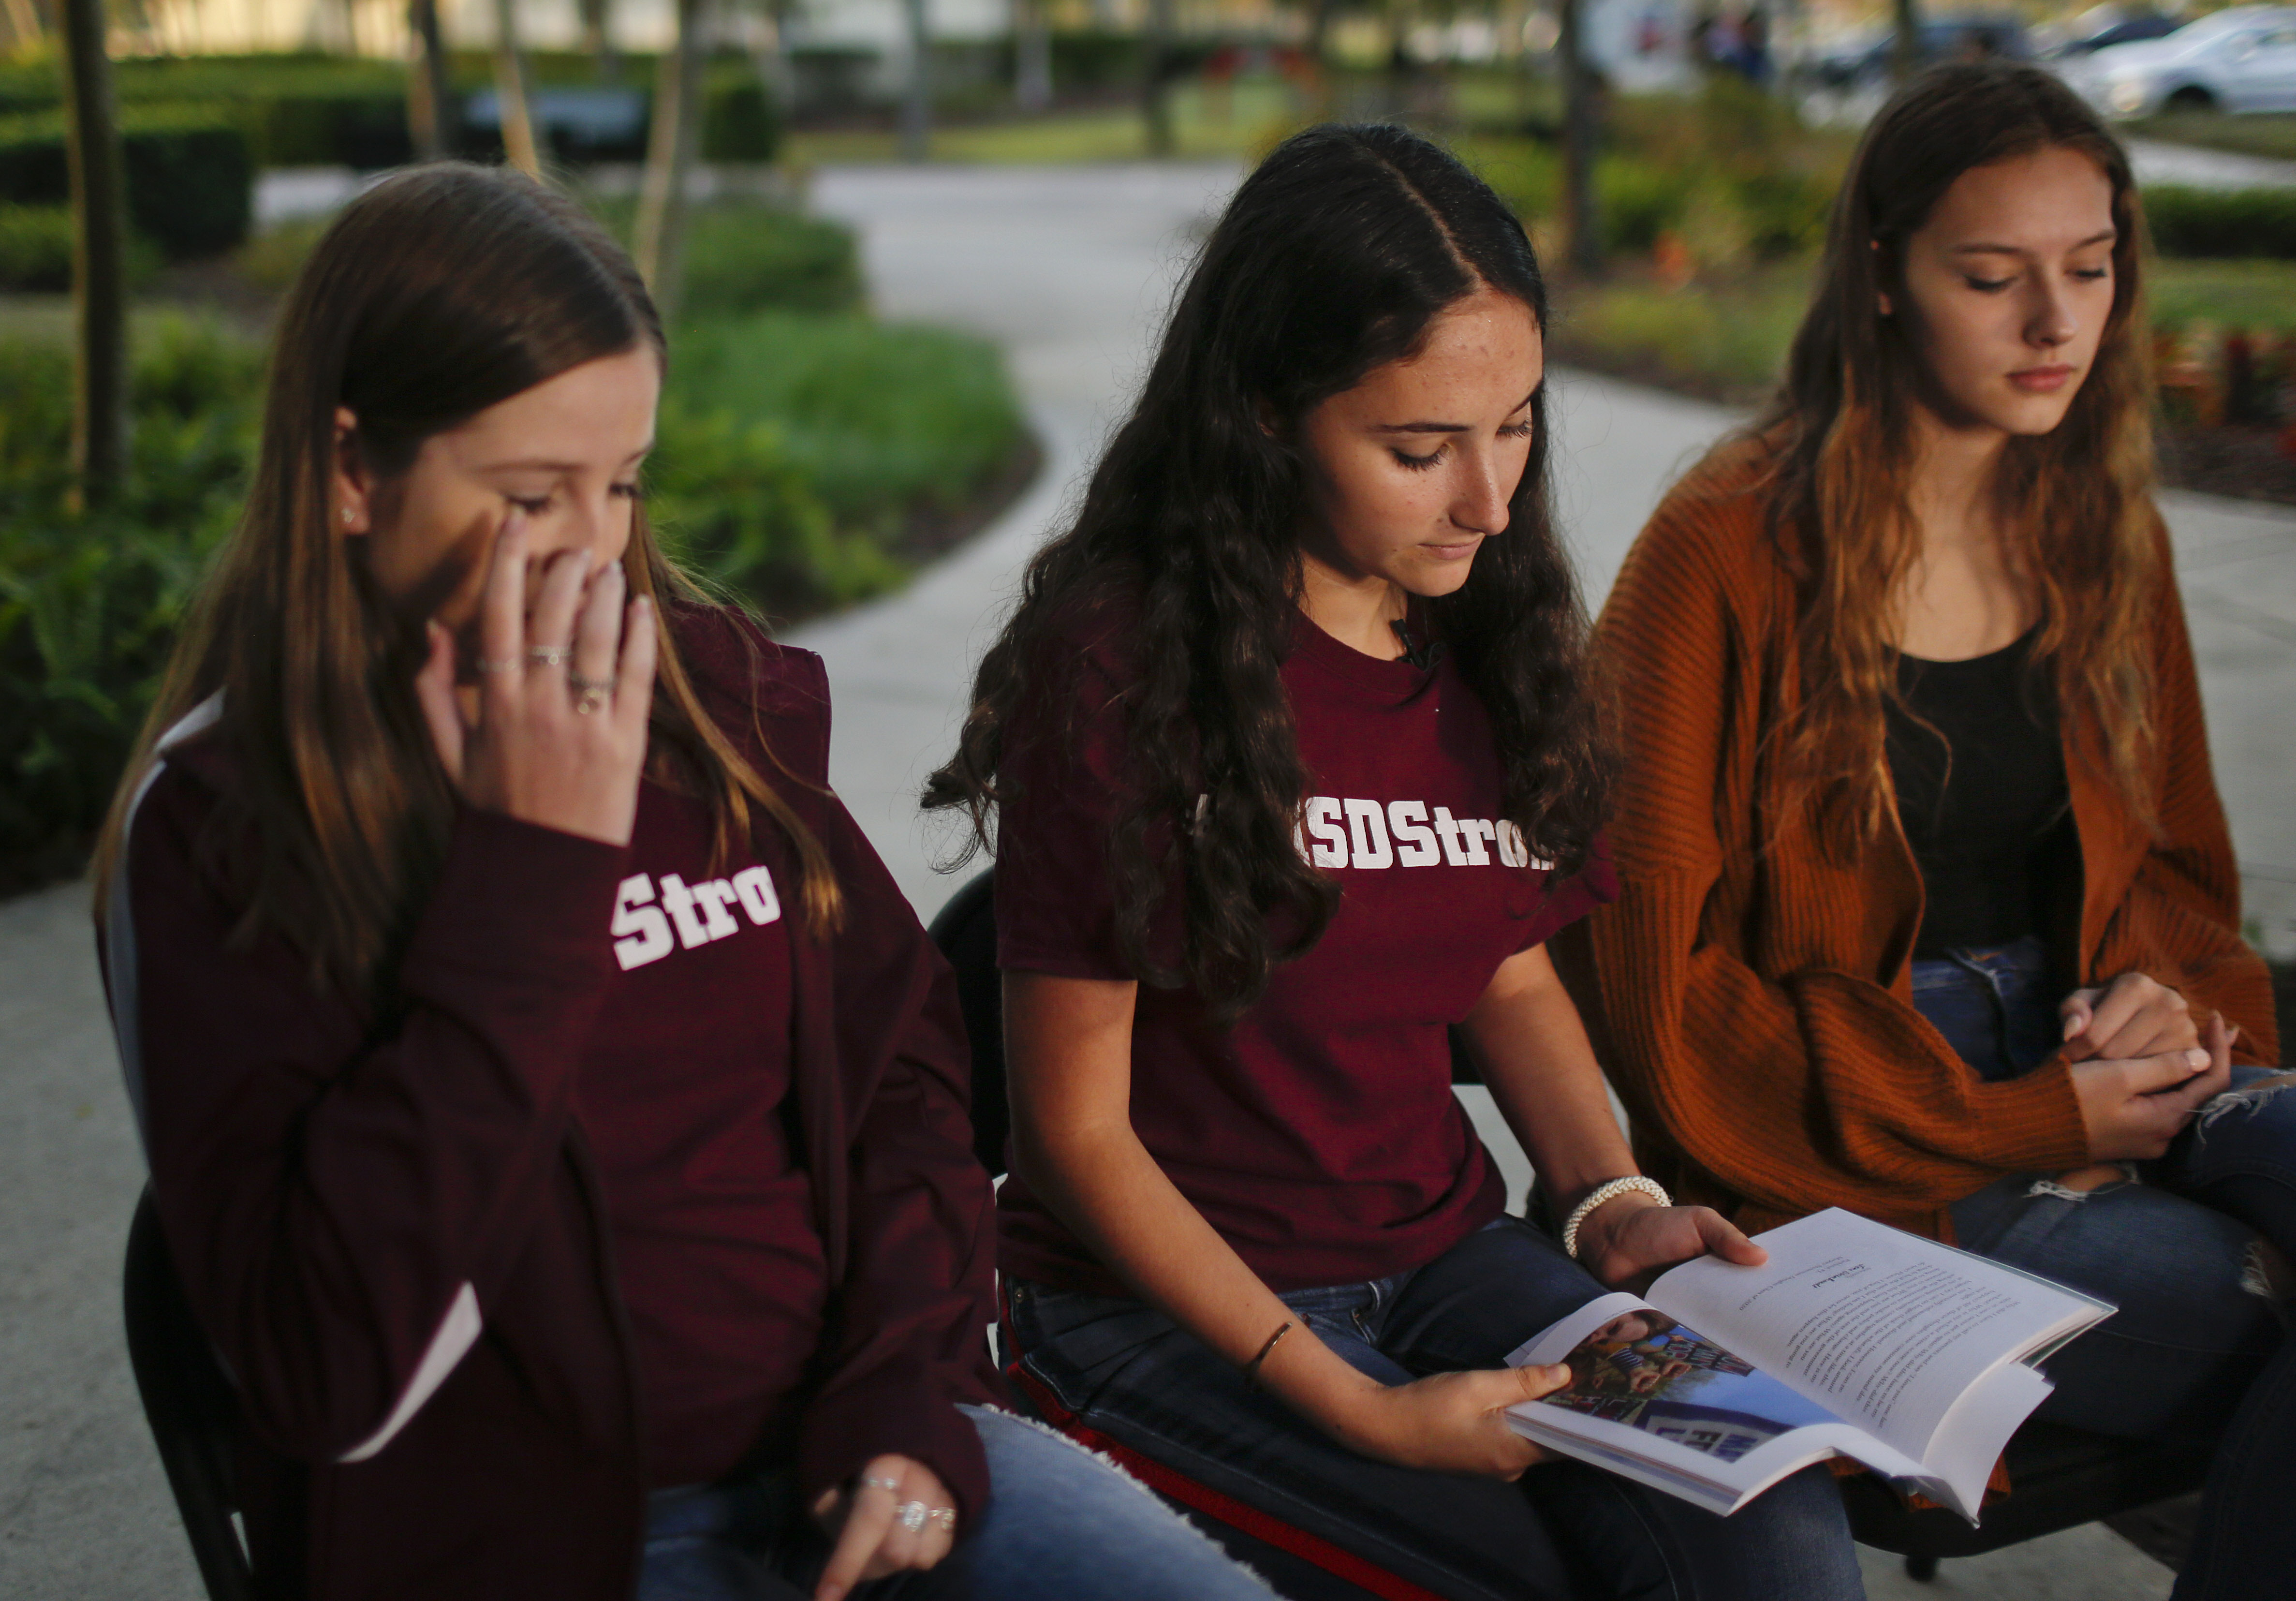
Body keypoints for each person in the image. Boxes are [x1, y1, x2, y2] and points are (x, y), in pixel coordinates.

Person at [91, 163, 1273, 1601]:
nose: (596, 551)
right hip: (525, 1544)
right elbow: (329, 1368)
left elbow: (902, 1085)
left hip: (863, 1458)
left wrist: (905, 1400)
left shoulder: (708, 701)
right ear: (352, 473)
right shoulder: (226, 821)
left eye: (623, 481)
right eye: (530, 495)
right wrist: (529, 873)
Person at [925, 124, 1866, 1601]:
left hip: (1441, 1255)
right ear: (1261, 416)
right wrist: (1358, 1406)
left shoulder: (1475, 630)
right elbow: (1070, 1139)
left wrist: (1605, 1196)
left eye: (1516, 424)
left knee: (1779, 1537)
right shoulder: (1118, 668)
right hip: (1151, 1308)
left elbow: (1507, 969)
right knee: (1509, 1573)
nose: (1489, 502)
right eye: (1420, 449)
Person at [1558, 63, 2294, 1600]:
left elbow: (2173, 874)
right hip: (1845, 1155)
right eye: (1991, 277)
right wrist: (2038, 1130)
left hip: (2096, 1060)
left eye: (2089, 272)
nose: (2055, 326)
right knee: (2255, 1322)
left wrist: (2168, 1019)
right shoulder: (1722, 550)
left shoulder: (2102, 527)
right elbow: (1657, 1000)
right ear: (1882, 277)